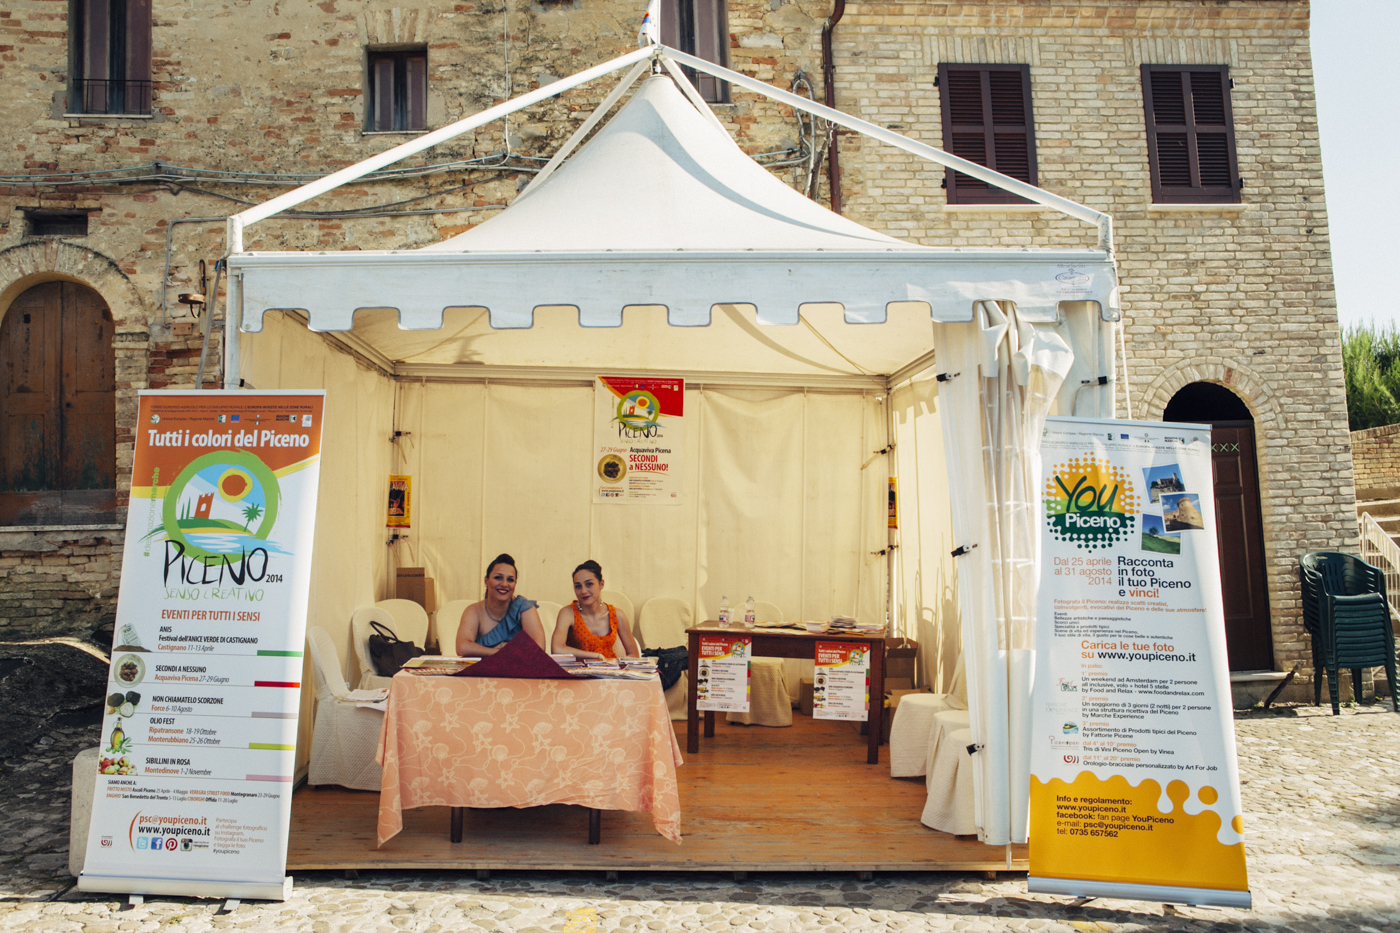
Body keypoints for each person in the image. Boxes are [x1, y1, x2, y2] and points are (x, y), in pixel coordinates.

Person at [455, 553, 547, 656]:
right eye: (498, 577)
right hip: (484, 666)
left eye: (510, 580)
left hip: (519, 665)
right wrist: (501, 653)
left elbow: (539, 649)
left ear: (515, 584)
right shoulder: (474, 611)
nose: (504, 584)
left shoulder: (524, 608)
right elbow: (462, 647)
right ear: (486, 581)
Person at [551, 560, 640, 660]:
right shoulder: (568, 613)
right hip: (578, 669)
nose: (583, 591)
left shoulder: (617, 615)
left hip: (610, 668)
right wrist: (595, 656)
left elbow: (634, 654)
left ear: (601, 584)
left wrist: (616, 664)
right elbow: (556, 649)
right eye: (578, 586)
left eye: (589, 584)